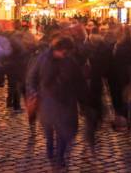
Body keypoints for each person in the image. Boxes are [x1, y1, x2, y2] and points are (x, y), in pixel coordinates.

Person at [27, 36, 88, 170]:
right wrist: (34, 92)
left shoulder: (69, 61)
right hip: (48, 101)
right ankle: (51, 152)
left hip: (64, 101)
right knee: (50, 130)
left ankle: (59, 158)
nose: (66, 55)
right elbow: (32, 77)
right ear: (61, 49)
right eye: (66, 52)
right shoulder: (43, 59)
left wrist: (83, 101)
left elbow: (79, 82)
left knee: (62, 132)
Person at [4, 24, 36, 110]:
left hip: (10, 66)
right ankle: (16, 105)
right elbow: (24, 53)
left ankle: (9, 102)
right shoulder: (19, 44)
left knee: (12, 85)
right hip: (18, 66)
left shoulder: (8, 42)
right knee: (17, 85)